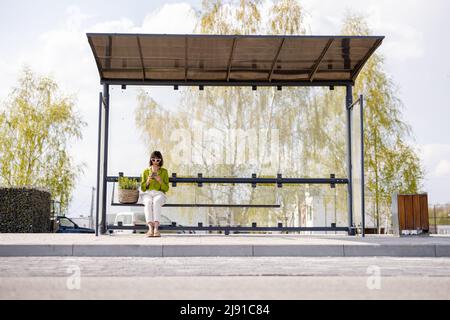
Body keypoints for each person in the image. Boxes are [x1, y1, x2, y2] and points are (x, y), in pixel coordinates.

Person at [140, 151, 169, 237]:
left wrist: (160, 181)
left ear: (161, 160)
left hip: (159, 193)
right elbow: (142, 188)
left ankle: (156, 228)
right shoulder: (145, 171)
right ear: (151, 160)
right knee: (148, 202)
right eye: (153, 160)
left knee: (156, 202)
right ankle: (150, 228)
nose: (155, 162)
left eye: (158, 160)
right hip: (147, 193)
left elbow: (166, 188)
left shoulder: (164, 171)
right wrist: (148, 182)